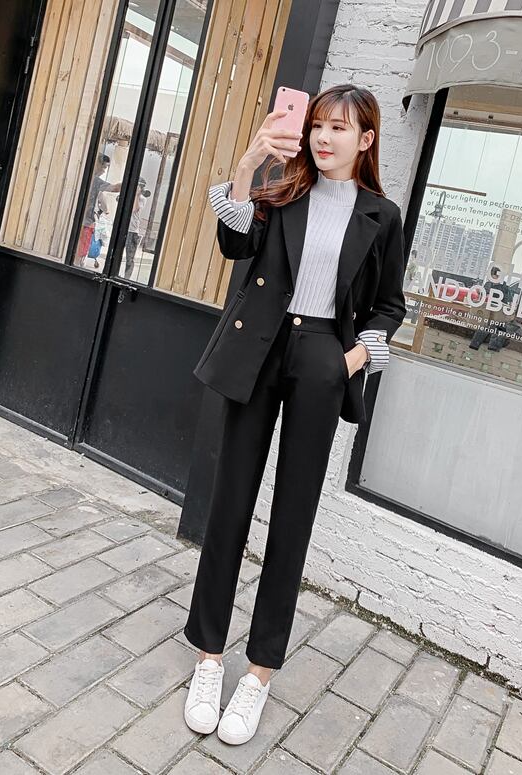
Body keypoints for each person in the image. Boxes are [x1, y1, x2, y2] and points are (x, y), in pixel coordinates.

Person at [183, 84, 407, 745]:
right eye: (318, 125)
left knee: (293, 517)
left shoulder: (382, 215)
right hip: (259, 345)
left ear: (366, 139)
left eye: (340, 127)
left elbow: (390, 304)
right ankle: (208, 658)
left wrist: (353, 359)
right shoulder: (283, 191)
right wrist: (249, 163)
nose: (324, 137)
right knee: (230, 504)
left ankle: (258, 674)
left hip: (322, 357)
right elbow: (234, 246)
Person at [76, 154, 121, 268]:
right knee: (81, 251)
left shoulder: (86, 177)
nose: (104, 171)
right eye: (104, 167)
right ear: (97, 164)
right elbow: (114, 188)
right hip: (87, 221)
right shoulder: (95, 181)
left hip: (83, 220)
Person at [123, 177, 148, 280]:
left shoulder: (142, 198)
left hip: (132, 231)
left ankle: (126, 278)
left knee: (129, 258)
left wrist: (137, 195)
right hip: (123, 228)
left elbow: (134, 209)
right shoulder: (128, 195)